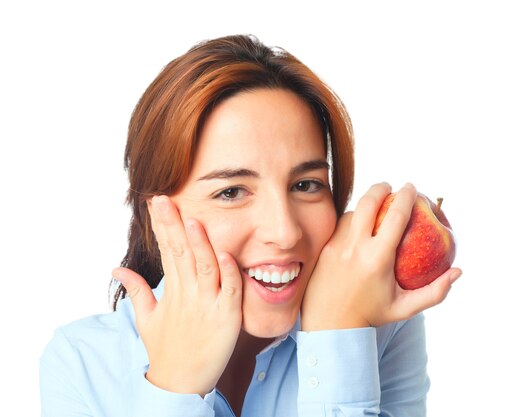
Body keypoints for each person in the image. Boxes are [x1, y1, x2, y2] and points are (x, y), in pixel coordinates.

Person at [39, 34, 462, 417]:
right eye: (231, 191)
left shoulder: (377, 327)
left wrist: (338, 330)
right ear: (159, 214)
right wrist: (175, 388)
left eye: (305, 184)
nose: (285, 231)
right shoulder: (82, 364)